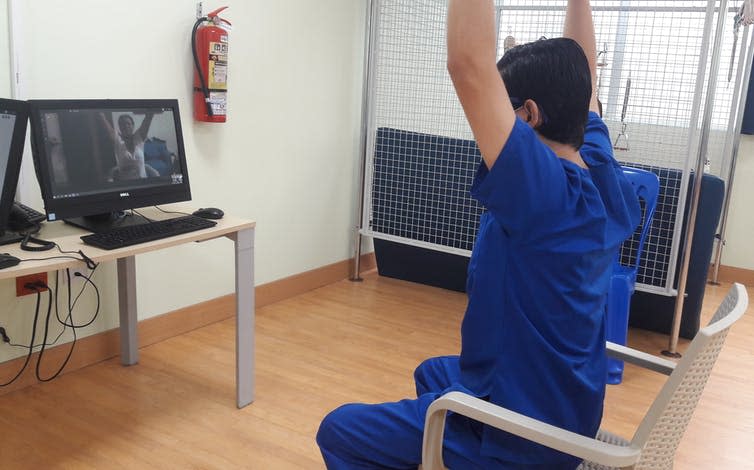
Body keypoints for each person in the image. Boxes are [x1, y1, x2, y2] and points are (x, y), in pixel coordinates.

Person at [316, 0, 641, 468]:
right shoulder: (599, 169)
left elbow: (468, 63)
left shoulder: (545, 195)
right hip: (568, 404)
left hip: (518, 433)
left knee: (340, 429)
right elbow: (584, 67)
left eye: (502, 113)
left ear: (527, 115)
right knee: (432, 372)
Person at [98, 111, 160, 180]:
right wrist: (101, 116)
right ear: (120, 127)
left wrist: (150, 112)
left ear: (133, 126)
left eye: (128, 123)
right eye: (122, 124)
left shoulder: (138, 138)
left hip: (142, 184)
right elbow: (107, 127)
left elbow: (148, 119)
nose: (126, 126)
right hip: (126, 185)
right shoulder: (118, 140)